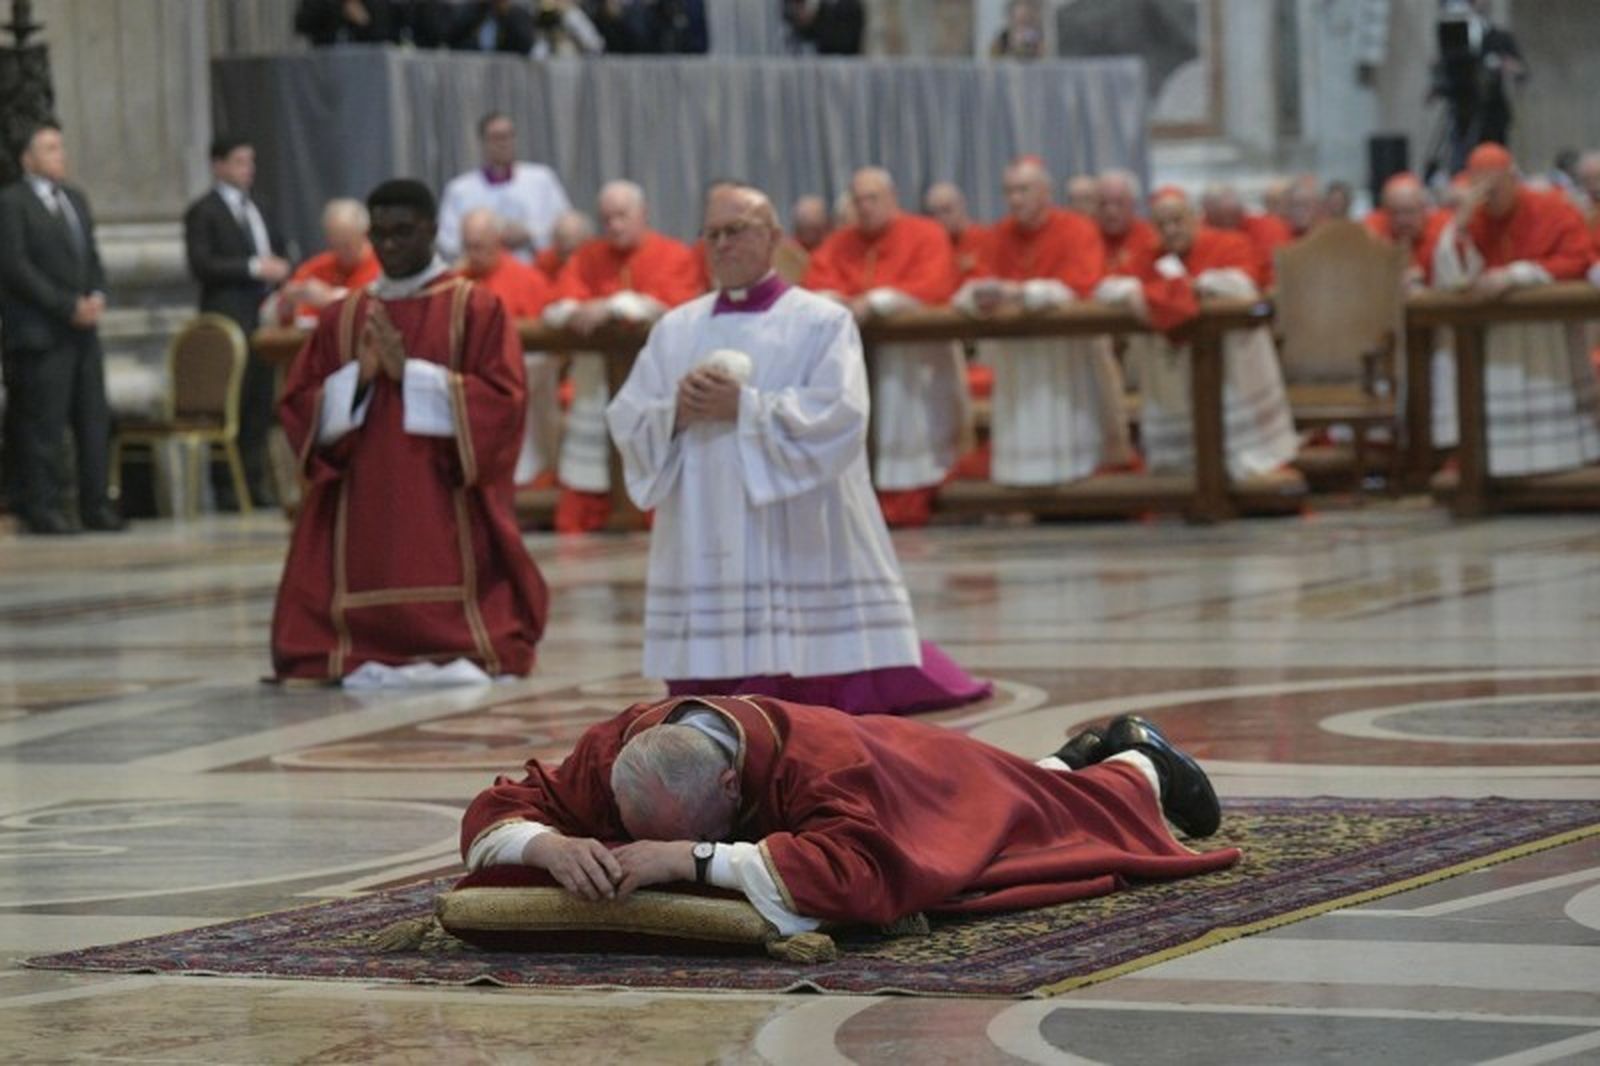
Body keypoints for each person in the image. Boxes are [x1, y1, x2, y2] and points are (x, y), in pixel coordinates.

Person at [605, 183, 991, 714]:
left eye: (736, 230)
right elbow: (629, 415)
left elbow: (841, 415)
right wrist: (676, 412)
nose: (723, 244)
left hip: (796, 522)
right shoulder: (676, 329)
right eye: (712, 234)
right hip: (707, 515)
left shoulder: (822, 322)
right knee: (705, 692)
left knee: (808, 677)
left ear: (773, 238)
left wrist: (745, 407)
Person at [460, 697, 1239, 931]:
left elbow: (860, 876)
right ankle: (1072, 758)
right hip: (896, 775)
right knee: (1020, 792)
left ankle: (1139, 761)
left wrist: (691, 860)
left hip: (909, 774)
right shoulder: (615, 753)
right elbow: (502, 806)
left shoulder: (824, 767)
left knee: (1018, 831)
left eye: (698, 829)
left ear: (731, 786)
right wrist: (549, 847)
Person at [271, 179, 548, 681]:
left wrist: (411, 375)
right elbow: (298, 405)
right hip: (362, 496)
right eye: (379, 234)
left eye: (403, 232)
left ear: (432, 230)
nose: (389, 245)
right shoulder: (344, 316)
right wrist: (359, 378)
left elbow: (502, 402)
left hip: (442, 494)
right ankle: (355, 639)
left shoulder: (474, 308)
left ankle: (453, 635)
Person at [1097, 187, 1298, 482]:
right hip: (1173, 376)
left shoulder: (1228, 243)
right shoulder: (1148, 255)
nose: (1171, 230)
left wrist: (1192, 287)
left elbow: (1245, 284)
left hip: (1230, 367)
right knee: (1179, 471)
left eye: (1177, 220)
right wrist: (1141, 293)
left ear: (1194, 218)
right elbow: (1107, 287)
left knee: (1240, 460)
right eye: (1162, 224)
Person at [955, 158, 1132, 487]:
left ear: (1046, 192)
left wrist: (1021, 293)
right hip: (1017, 358)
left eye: (1023, 190)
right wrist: (981, 296)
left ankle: (1078, 495)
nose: (1014, 199)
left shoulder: (1077, 229)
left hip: (1066, 355)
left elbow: (1083, 285)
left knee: (1072, 445)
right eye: (1009, 191)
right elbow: (969, 286)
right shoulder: (997, 235)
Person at [803, 167, 962, 527]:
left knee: (909, 429)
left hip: (911, 359)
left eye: (872, 199)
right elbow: (815, 282)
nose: (865, 207)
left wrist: (878, 302)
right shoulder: (840, 241)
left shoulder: (925, 234)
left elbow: (935, 285)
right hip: (855, 356)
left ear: (893, 199)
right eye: (858, 200)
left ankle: (909, 495)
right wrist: (838, 302)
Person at [1430, 143, 1600, 476]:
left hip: (1546, 331)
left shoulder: (1552, 208)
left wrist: (1518, 274)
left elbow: (1578, 259)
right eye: (1481, 187)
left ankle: (1560, 462)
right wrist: (1460, 222)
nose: (1489, 196)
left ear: (1512, 178)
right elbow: (1452, 279)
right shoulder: (1474, 217)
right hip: (1493, 336)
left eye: (1495, 185)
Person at [542, 180, 701, 532]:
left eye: (622, 216)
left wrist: (615, 306)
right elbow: (557, 304)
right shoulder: (588, 256)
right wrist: (582, 311)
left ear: (643, 214)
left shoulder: (673, 254)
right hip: (599, 385)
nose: (614, 225)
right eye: (607, 218)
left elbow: (677, 305)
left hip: (658, 382)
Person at [0, 123, 125, 535]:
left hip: (83, 331)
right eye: (50, 148)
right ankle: (45, 507)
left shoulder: (75, 199)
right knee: (44, 426)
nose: (61, 155)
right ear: (28, 159)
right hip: (41, 333)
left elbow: (91, 256)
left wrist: (96, 295)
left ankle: (95, 504)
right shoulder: (12, 203)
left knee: (93, 419)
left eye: (61, 147)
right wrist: (66, 305)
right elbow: (16, 267)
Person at [183, 134, 291, 508]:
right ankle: (228, 487)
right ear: (219, 165)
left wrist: (281, 271)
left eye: (251, 161)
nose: (249, 169)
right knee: (234, 399)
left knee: (260, 401)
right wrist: (252, 267)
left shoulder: (261, 206)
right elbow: (202, 263)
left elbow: (278, 248)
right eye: (240, 162)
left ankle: (255, 481)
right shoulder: (204, 211)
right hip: (228, 316)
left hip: (265, 315)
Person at [459, 208, 560, 486]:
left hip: (524, 383)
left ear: (497, 241)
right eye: (467, 247)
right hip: (472, 387)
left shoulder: (529, 279)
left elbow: (551, 339)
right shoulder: (458, 281)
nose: (472, 254)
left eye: (479, 246)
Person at [437, 113, 572, 264]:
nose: (504, 143)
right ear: (482, 142)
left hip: (536, 266)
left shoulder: (542, 179)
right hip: (484, 271)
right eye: (497, 137)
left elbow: (565, 228)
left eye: (508, 136)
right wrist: (488, 240)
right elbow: (447, 241)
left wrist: (529, 234)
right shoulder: (460, 190)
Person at [266, 198, 381, 329]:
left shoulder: (382, 267)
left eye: (347, 245)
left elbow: (373, 306)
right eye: (334, 245)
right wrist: (288, 301)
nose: (340, 252)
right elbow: (276, 309)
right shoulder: (316, 267)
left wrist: (329, 299)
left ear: (365, 235)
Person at [1363, 172, 1448, 288]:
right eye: (1394, 212)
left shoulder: (1444, 228)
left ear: (1424, 208)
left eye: (1409, 212)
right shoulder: (1373, 227)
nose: (1401, 220)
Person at [923, 181, 989, 284]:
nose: (940, 218)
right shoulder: (930, 247)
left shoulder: (986, 239)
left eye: (947, 210)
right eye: (933, 214)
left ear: (962, 205)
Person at [445, 0, 536, 53]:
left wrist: (507, 14)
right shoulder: (473, 10)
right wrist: (478, 8)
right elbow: (451, 36)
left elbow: (526, 45)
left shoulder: (517, 15)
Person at [533, 209, 594, 283]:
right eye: (562, 252)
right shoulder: (544, 264)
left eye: (571, 251)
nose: (568, 259)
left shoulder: (597, 266)